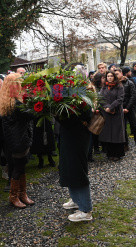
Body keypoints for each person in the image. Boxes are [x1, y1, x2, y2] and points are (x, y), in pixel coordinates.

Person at [0, 73, 35, 209]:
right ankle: (14, 196)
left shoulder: (9, 100)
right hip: (18, 140)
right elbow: (31, 114)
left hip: (16, 139)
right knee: (18, 168)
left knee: (21, 166)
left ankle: (22, 194)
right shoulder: (16, 104)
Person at [58, 86, 93, 222]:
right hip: (69, 137)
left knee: (77, 170)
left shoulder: (82, 98)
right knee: (68, 168)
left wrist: (58, 114)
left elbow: (74, 120)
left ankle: (85, 210)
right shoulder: (73, 94)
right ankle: (76, 200)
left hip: (77, 138)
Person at [115, 68, 136, 153]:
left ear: (121, 73)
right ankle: (125, 145)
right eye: (115, 74)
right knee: (123, 128)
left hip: (129, 109)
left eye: (117, 74)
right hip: (120, 109)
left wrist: (127, 108)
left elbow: (133, 96)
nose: (116, 76)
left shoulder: (129, 82)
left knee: (134, 127)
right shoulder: (115, 84)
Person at [99, 71, 125, 161]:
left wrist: (111, 107)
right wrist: (106, 107)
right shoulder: (104, 87)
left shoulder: (119, 86)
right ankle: (110, 153)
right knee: (108, 133)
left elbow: (120, 98)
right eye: (108, 76)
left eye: (111, 76)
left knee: (116, 133)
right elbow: (100, 99)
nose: (109, 78)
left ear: (114, 77)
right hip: (106, 113)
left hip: (117, 112)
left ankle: (118, 154)